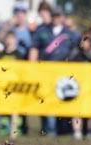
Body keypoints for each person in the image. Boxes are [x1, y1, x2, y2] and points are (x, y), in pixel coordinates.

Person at [29, 6, 79, 136]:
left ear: (62, 17)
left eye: (58, 16)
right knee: (47, 100)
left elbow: (77, 49)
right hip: (46, 72)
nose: (56, 18)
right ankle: (49, 129)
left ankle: (63, 130)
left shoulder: (70, 33)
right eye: (54, 16)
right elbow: (34, 48)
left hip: (64, 74)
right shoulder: (42, 31)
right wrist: (32, 67)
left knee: (64, 101)